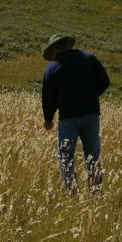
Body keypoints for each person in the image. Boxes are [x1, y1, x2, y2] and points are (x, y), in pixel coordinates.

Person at [41, 33, 110, 193]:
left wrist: (48, 119)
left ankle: (72, 193)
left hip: (68, 118)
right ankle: (96, 193)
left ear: (54, 50)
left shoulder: (52, 68)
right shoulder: (89, 58)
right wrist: (93, 96)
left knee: (66, 158)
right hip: (91, 115)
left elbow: (48, 97)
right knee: (92, 155)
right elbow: (105, 81)